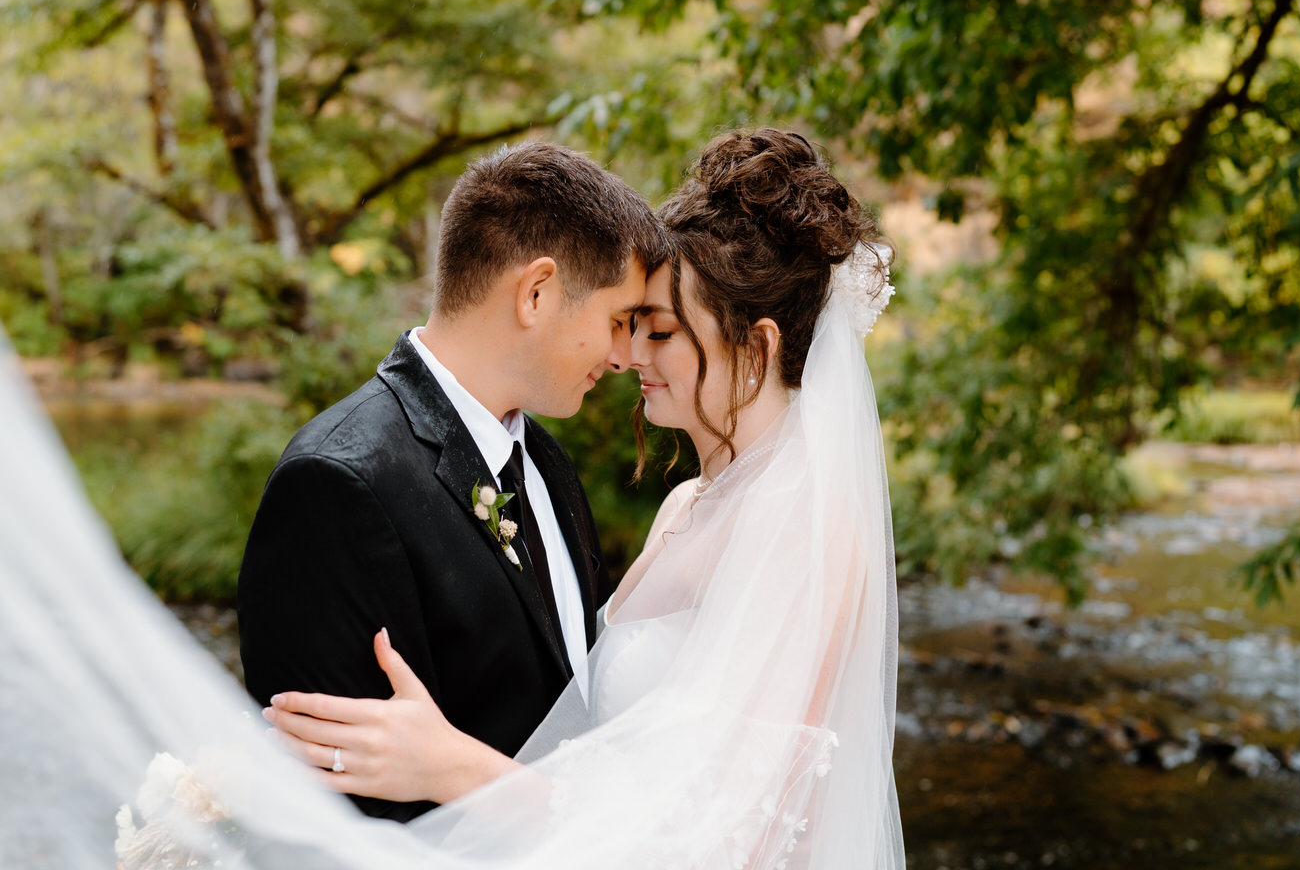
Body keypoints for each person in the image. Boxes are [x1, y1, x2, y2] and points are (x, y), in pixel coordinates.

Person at [266, 129, 906, 869]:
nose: (630, 354)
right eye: (628, 324)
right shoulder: (681, 508)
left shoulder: (804, 530)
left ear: (756, 349)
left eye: (659, 331)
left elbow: (728, 835)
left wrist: (453, 766)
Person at [237, 141, 665, 822]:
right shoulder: (334, 486)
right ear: (535, 293)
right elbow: (332, 814)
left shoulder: (547, 463)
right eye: (617, 322)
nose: (622, 358)